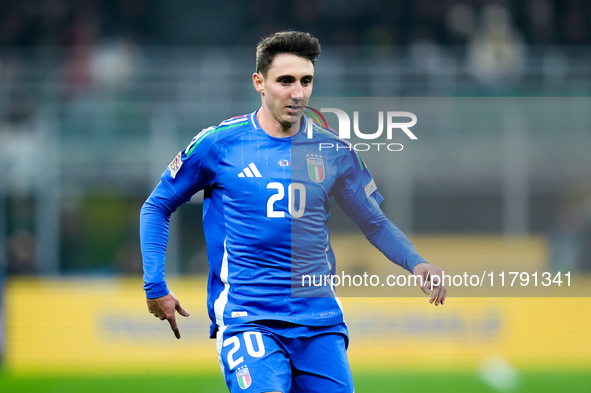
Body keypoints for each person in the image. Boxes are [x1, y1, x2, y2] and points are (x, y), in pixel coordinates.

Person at [140, 30, 446, 393]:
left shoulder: (333, 151)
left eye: (306, 81)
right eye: (285, 81)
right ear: (259, 82)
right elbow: (158, 204)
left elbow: (374, 222)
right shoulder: (220, 143)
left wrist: (416, 262)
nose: (297, 92)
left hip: (319, 321)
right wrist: (154, 284)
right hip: (248, 317)